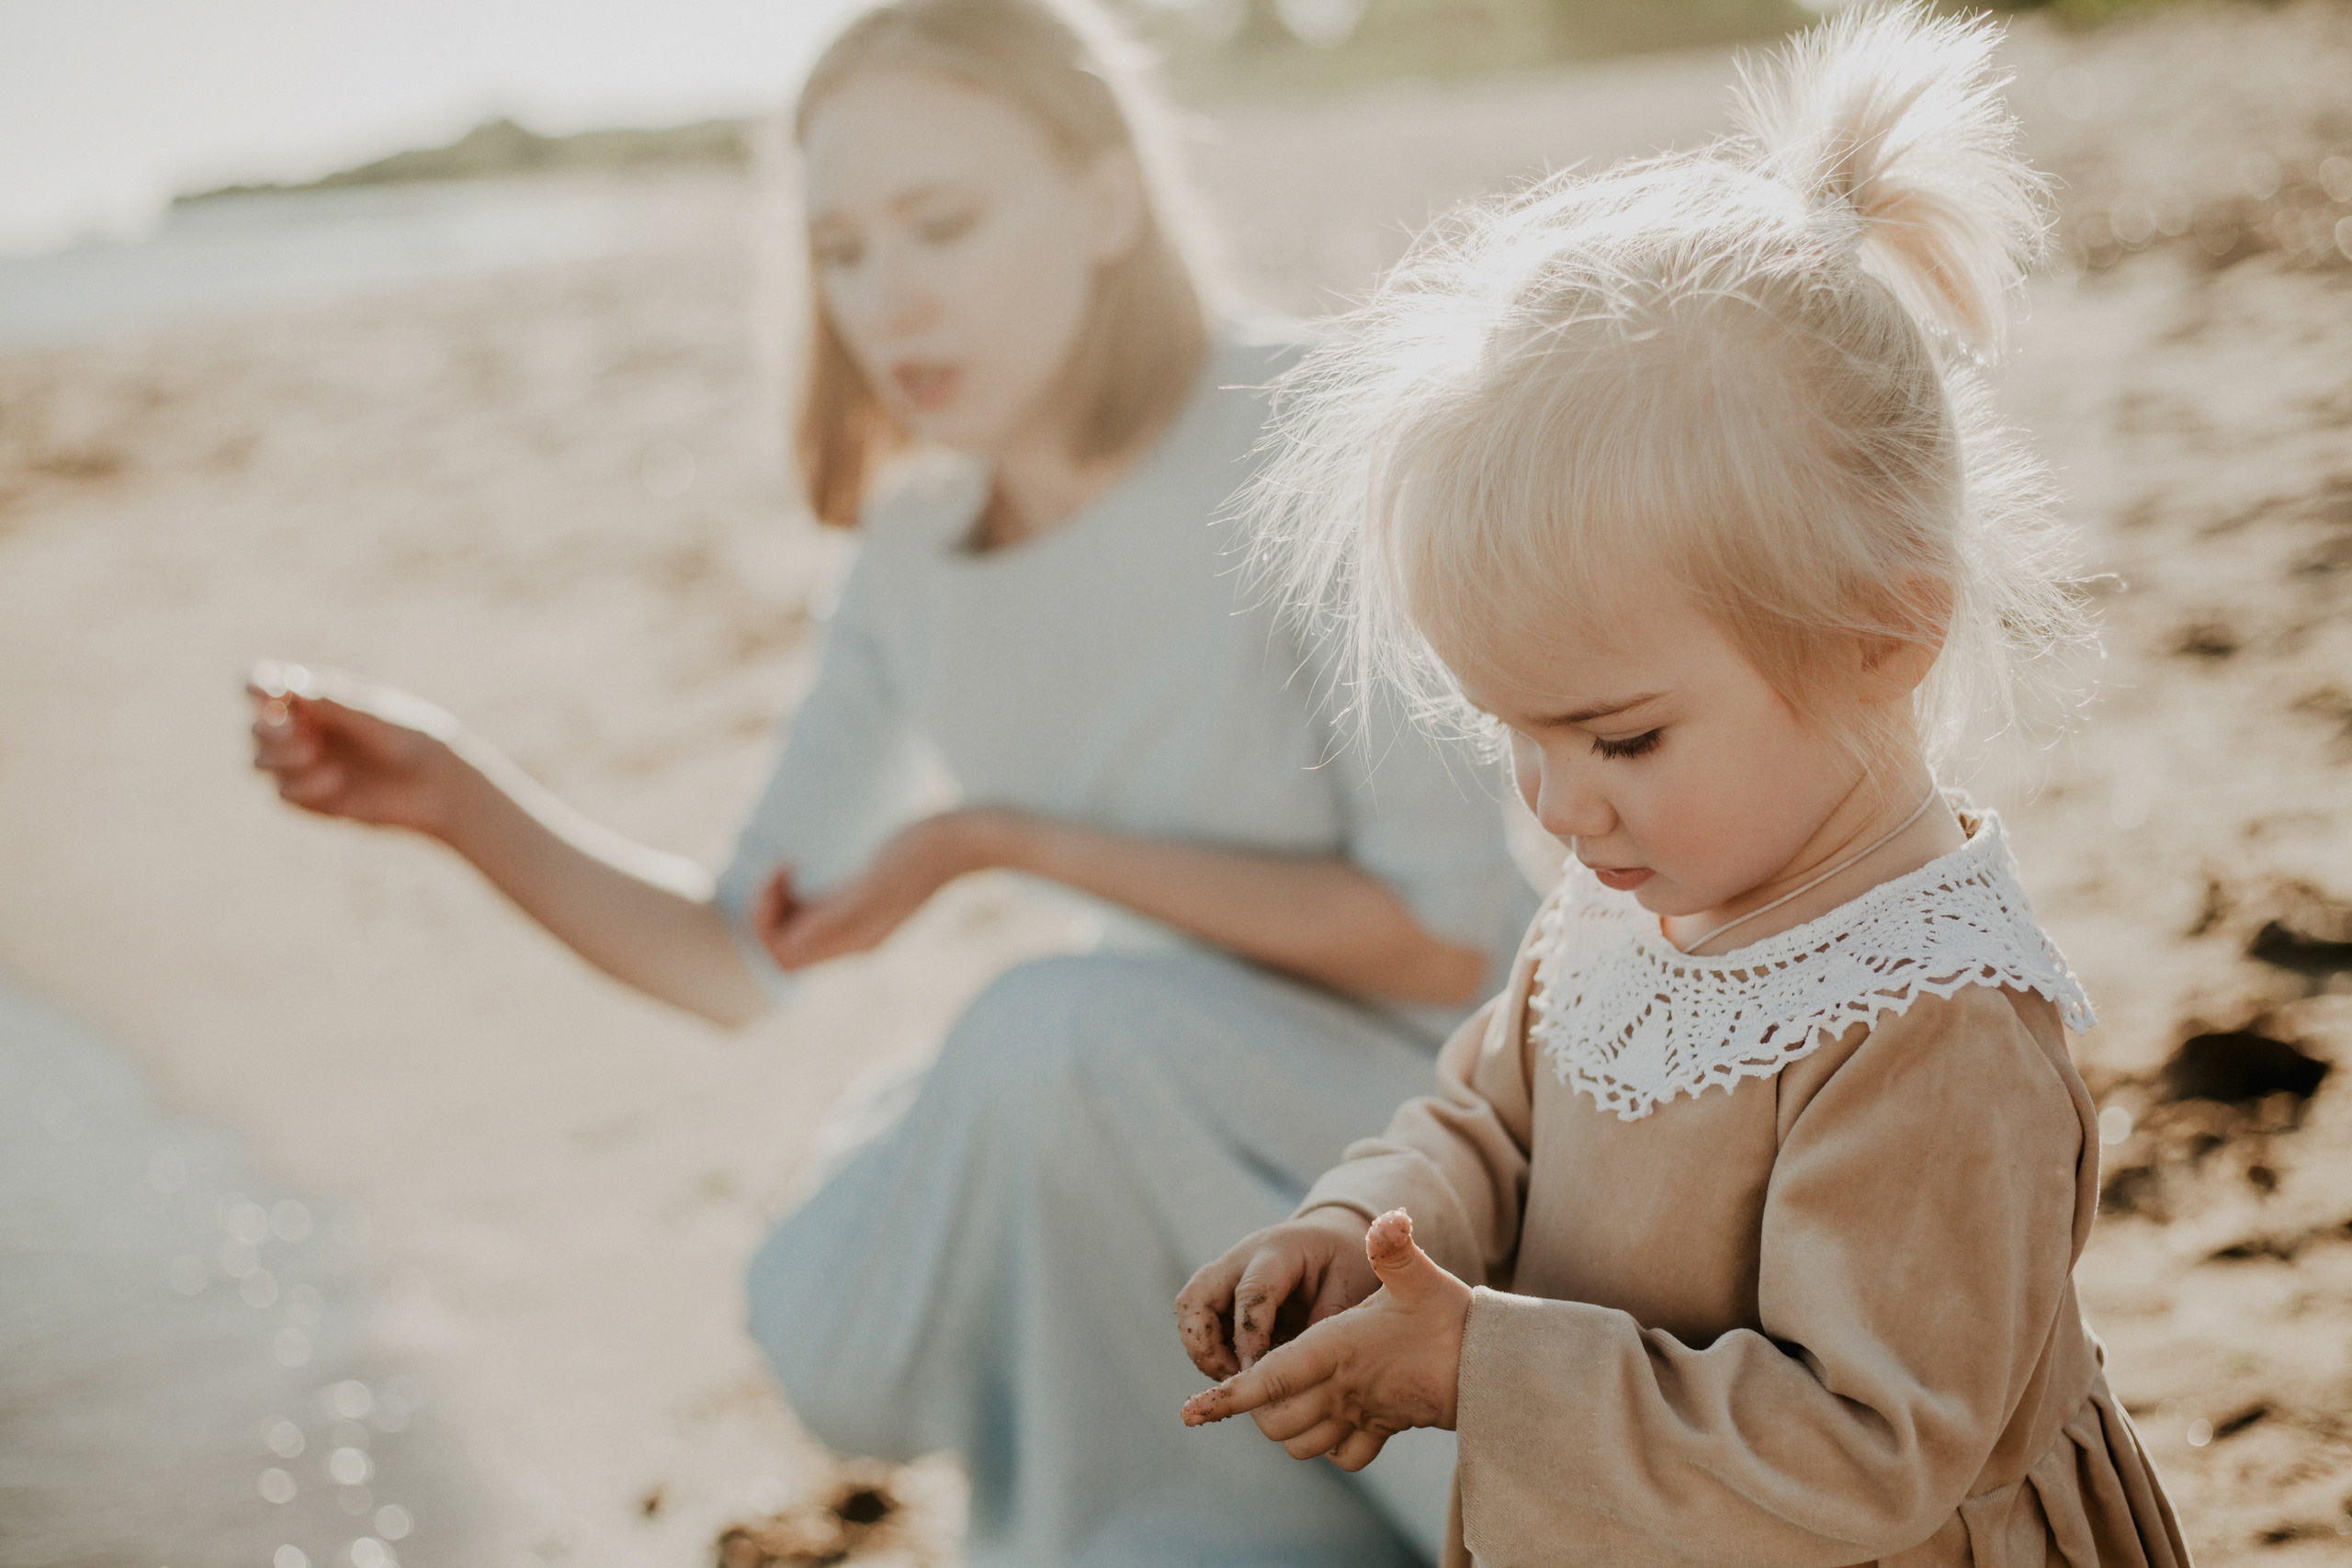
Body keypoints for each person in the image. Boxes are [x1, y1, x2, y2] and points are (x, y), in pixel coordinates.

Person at [247, 0, 1532, 1562]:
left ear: (1107, 199)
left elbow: (1449, 938)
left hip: (1442, 1123)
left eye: (942, 222)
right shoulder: (915, 555)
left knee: (1043, 1036)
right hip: (1135, 1132)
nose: (888, 298)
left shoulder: (1318, 426)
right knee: (944, 1183)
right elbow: (741, 956)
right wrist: (455, 797)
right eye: (841, 248)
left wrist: (992, 839)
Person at [1171, 7, 2191, 1564]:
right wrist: (1367, 1236)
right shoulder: (1635, 893)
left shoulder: (1931, 1023)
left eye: (1618, 737)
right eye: (1511, 733)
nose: (1559, 805)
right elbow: (1492, 1125)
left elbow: (1866, 1452)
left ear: (1882, 633)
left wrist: (1482, 1367)